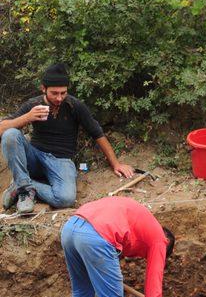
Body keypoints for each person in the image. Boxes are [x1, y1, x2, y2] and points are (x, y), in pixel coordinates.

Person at [0, 63, 134, 214]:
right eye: (54, 93)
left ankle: (20, 184)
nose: (59, 98)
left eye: (63, 93)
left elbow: (97, 133)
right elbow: (2, 128)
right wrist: (27, 117)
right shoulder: (33, 104)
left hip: (61, 161)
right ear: (43, 88)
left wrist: (116, 164)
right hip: (35, 156)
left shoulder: (74, 105)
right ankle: (24, 192)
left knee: (65, 199)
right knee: (10, 134)